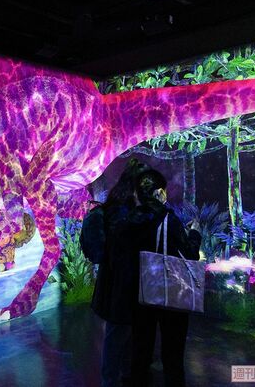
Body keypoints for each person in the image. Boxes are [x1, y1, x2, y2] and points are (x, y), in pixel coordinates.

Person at [127, 168, 201, 387]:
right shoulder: (168, 219)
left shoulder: (130, 218)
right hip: (170, 295)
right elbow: (190, 255)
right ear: (159, 193)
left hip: (140, 293)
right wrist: (194, 233)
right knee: (172, 354)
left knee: (140, 351)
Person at [90, 159, 145, 387]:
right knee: (117, 336)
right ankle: (111, 381)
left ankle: (121, 377)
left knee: (123, 335)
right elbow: (120, 250)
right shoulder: (122, 212)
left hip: (122, 285)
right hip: (121, 286)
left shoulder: (120, 208)